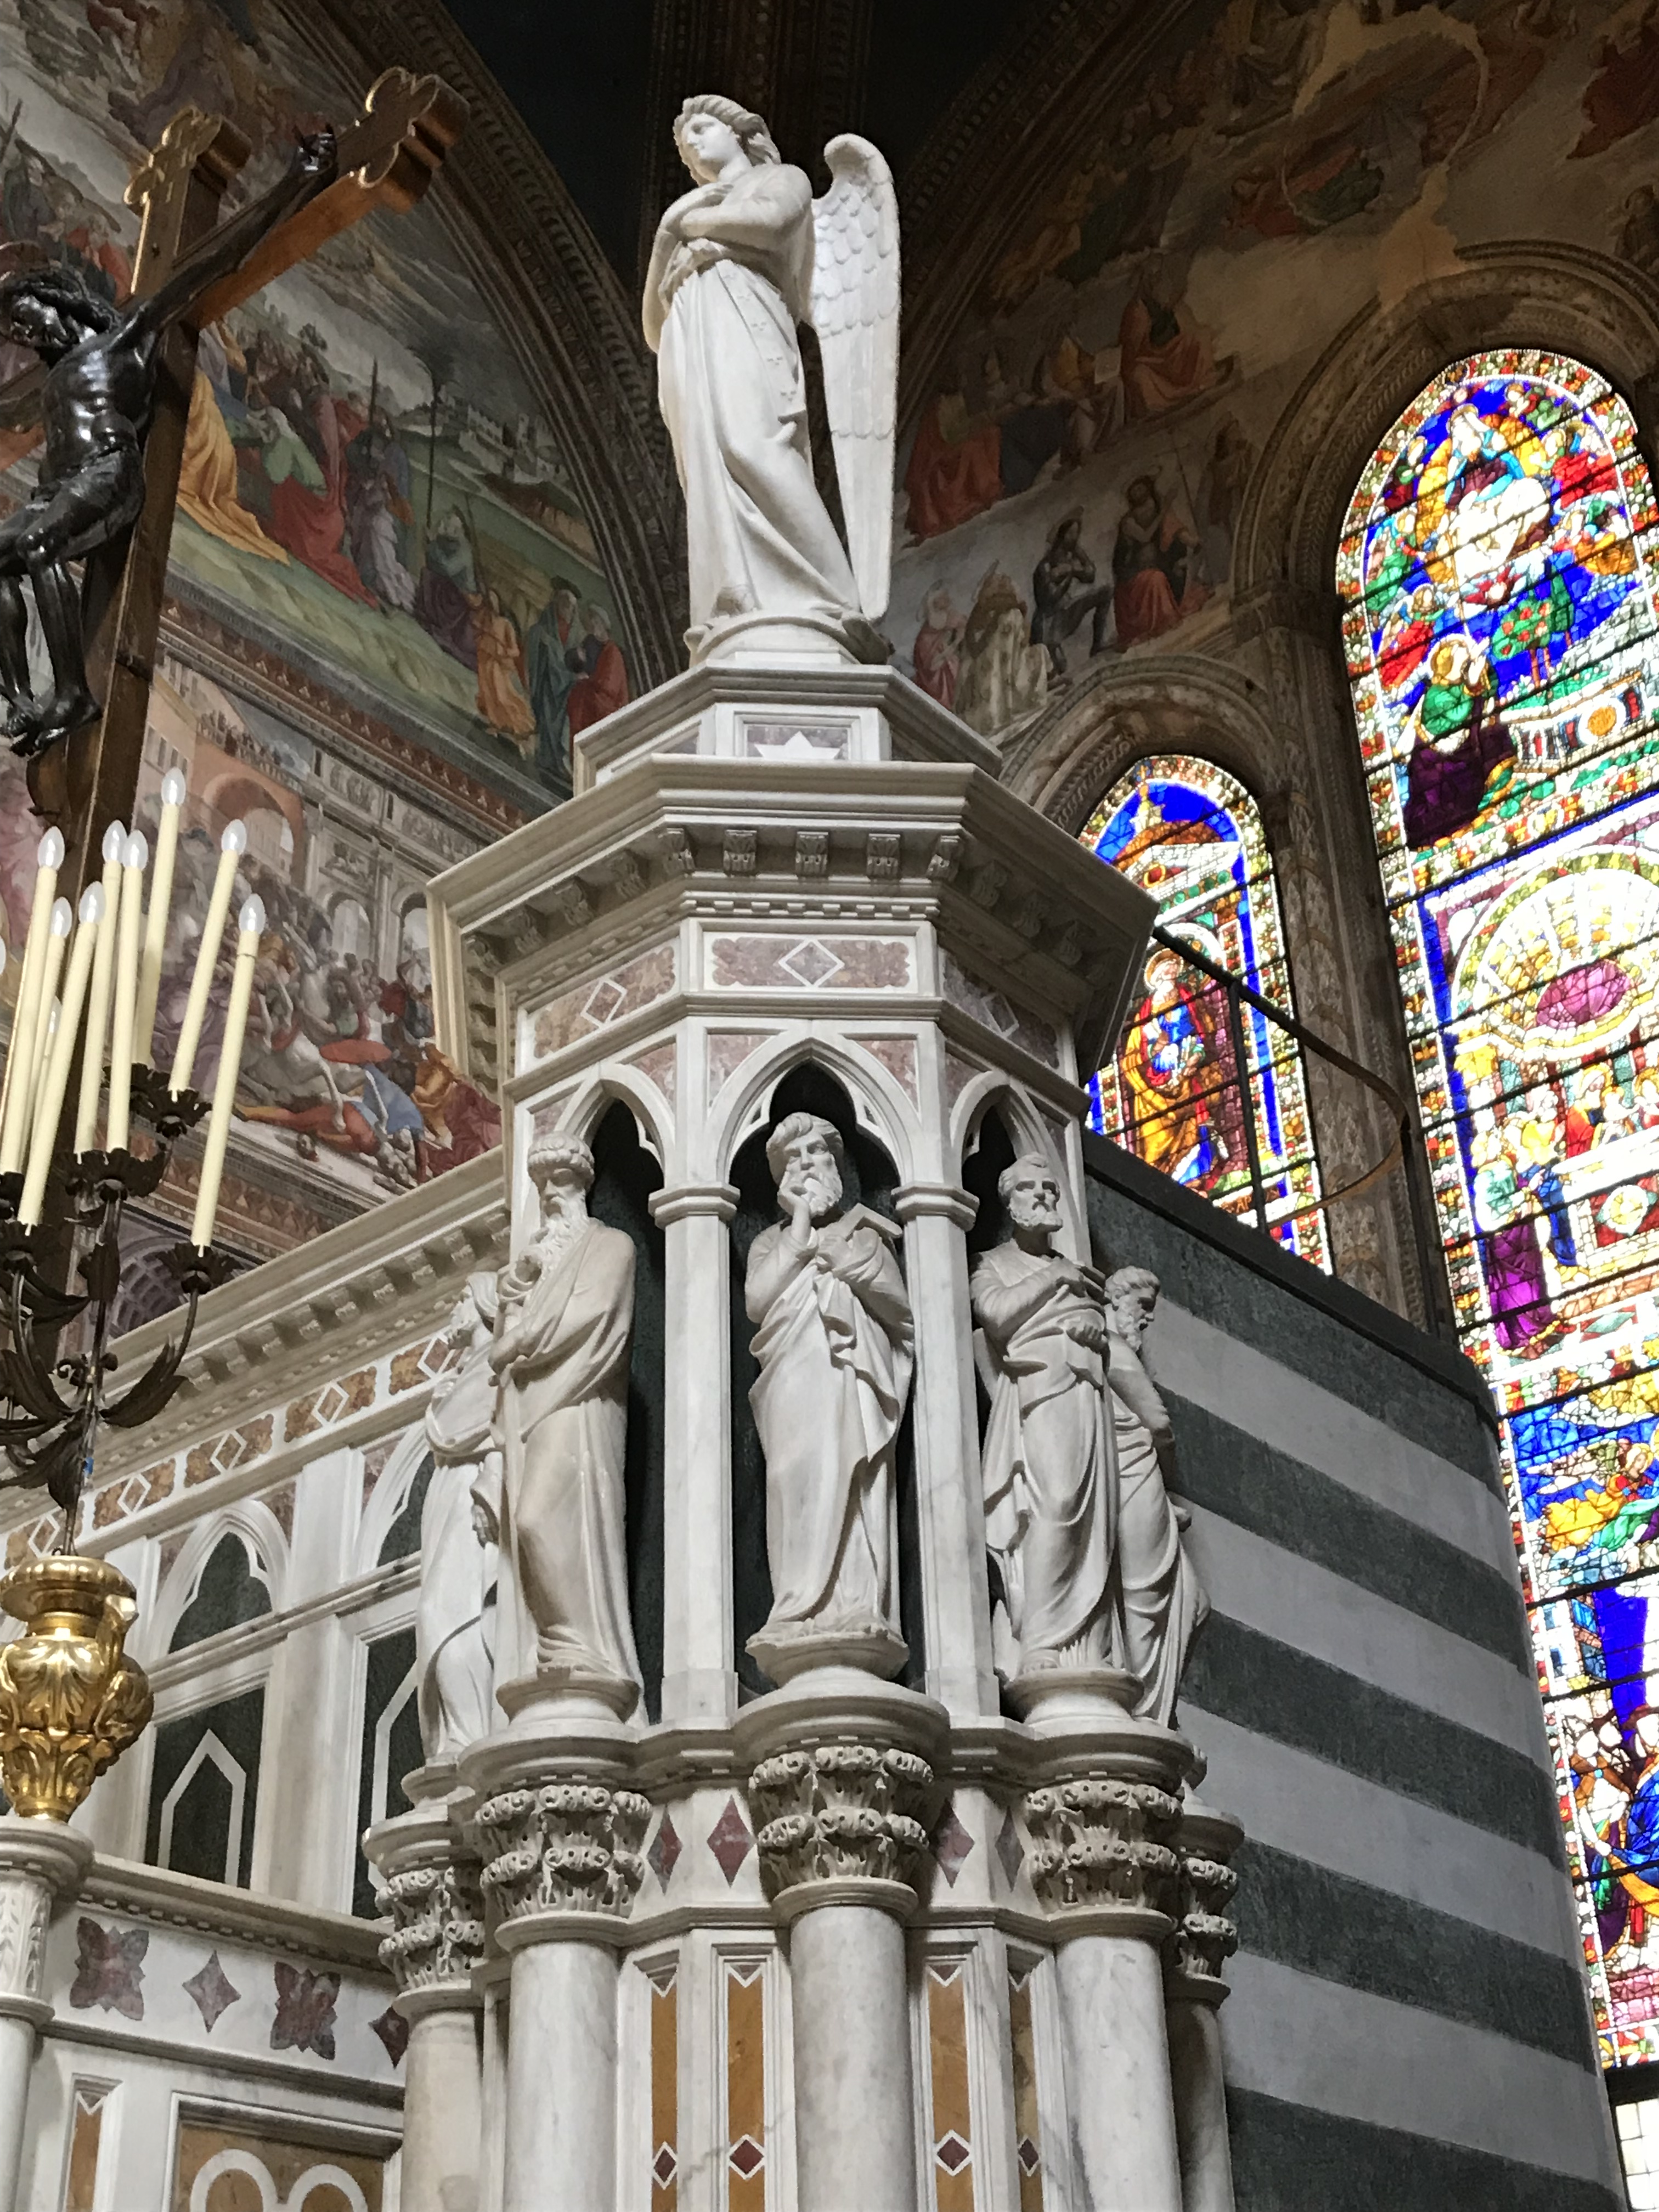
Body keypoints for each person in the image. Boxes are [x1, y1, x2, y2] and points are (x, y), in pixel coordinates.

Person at [0, 128, 337, 747]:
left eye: (27, 316)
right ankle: (19, 699)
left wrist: (300, 179)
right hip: (58, 489)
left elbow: (215, 262)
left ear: (55, 300)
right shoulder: (49, 382)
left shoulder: (123, 341)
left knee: (41, 546)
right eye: (17, 331)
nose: (27, 333)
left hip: (107, 471)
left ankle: (72, 695)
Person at [641, 94, 870, 659]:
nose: (692, 144)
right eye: (683, 144)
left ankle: (835, 600)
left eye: (701, 128)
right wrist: (670, 234)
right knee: (710, 466)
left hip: (748, 323)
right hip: (692, 345)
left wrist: (689, 222)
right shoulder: (685, 215)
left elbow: (768, 225)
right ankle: (735, 601)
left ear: (739, 132)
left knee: (755, 445)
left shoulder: (781, 179)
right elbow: (651, 326)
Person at [744, 1111, 912, 1672]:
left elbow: (902, 1313)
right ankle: (797, 1606)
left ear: (837, 1164)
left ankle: (858, 1604)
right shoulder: (770, 1242)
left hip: (852, 1378)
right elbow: (758, 1302)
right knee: (794, 1478)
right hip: (791, 1382)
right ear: (779, 1177)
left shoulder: (865, 1235)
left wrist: (851, 1265)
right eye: (793, 1159)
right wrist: (800, 1226)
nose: (806, 1165)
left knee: (854, 1474)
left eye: (816, 1152)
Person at [484, 1135, 641, 1703]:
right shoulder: (530, 1269)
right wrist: (515, 1298)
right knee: (528, 1524)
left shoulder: (612, 1246)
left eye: (562, 1182)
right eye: (542, 1184)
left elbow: (595, 1314)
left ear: (584, 1188)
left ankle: (583, 1644)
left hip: (579, 1400)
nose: (551, 1193)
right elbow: (500, 1351)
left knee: (536, 1519)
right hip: (533, 1402)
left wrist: (522, 1338)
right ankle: (558, 1644)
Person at [971, 1155, 1114, 1674]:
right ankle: (1038, 1639)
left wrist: (1097, 1336)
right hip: (1039, 1393)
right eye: (1028, 1189)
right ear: (1009, 1203)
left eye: (1050, 1188)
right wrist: (1058, 1279)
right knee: (1054, 1503)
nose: (1042, 1196)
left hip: (1086, 1394)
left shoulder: (1080, 1275)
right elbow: (995, 1314)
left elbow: (1102, 1333)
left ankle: (1083, 1646)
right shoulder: (992, 1264)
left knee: (1095, 1521)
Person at [1105, 1266, 1209, 1725]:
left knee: (1192, 1602)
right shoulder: (1113, 1348)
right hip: (1133, 1477)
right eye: (1142, 1306)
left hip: (1136, 1478)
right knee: (1146, 1593)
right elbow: (1159, 1421)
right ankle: (1144, 1709)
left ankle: (1154, 1710)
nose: (1147, 1318)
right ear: (1114, 1301)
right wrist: (1165, 1470)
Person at [416, 1275, 499, 1763]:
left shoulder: (494, 1365)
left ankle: (470, 1734)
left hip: (471, 1502)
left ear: (485, 1305)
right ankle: (456, 1735)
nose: (455, 1309)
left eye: (463, 1298)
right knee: (439, 1611)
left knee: (451, 1611)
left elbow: (463, 1430)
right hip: (450, 1499)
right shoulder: (467, 1372)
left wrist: (440, 1407)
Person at [1119, 945, 1231, 1187]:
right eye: (1166, 966)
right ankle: (1158, 1187)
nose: (1171, 970)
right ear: (1157, 973)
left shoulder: (1188, 999)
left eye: (1174, 965)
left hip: (1188, 1074)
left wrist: (1194, 1058)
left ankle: (1196, 1178)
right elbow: (1132, 1057)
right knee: (1155, 1143)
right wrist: (1157, 1049)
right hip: (1154, 1088)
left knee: (1195, 1124)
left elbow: (1202, 1032)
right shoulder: (1144, 1014)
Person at [1111, 473, 1207, 650]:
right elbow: (1145, 537)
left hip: (1155, 564)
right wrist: (1164, 508)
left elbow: (1163, 529)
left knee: (1168, 520)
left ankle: (1189, 541)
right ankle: (1164, 619)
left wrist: (1164, 511)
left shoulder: (1156, 512)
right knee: (1156, 579)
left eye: (1141, 488)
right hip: (1131, 577)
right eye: (1134, 491)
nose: (1138, 492)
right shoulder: (1128, 522)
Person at [473, 589, 537, 752]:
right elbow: (476, 633)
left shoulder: (505, 624)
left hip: (499, 665)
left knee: (502, 696)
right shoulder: (484, 619)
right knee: (488, 694)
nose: (491, 604)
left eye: (493, 600)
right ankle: (496, 724)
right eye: (489, 600)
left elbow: (515, 650)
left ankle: (519, 728)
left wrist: (502, 652)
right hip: (485, 662)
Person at [567, 604, 629, 737]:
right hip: (593, 693)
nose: (593, 626)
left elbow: (609, 687)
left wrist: (588, 681)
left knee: (583, 695)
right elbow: (578, 664)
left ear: (604, 625)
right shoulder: (589, 643)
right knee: (576, 695)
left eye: (596, 623)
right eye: (592, 623)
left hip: (608, 703)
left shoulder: (613, 652)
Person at [911, 585, 965, 709]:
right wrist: (956, 641)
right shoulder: (926, 639)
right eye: (943, 597)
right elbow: (932, 665)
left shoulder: (944, 627)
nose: (948, 599)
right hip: (935, 675)